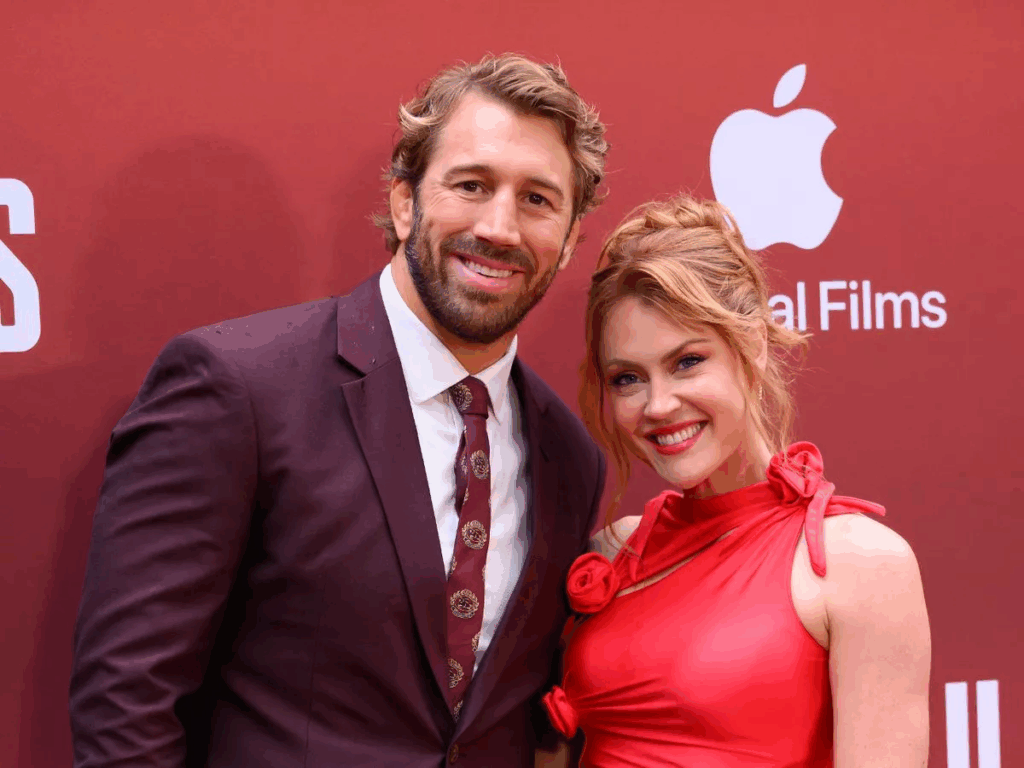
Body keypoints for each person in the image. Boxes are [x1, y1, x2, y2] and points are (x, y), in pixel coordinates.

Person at [70, 53, 609, 768]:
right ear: (405, 203)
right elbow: (126, 702)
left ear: (569, 241)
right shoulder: (238, 389)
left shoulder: (569, 456)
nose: (501, 227)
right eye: (471, 185)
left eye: (538, 199)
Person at [541, 195, 931, 767]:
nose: (658, 404)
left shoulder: (860, 564)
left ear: (753, 344)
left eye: (687, 362)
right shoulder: (613, 551)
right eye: (627, 378)